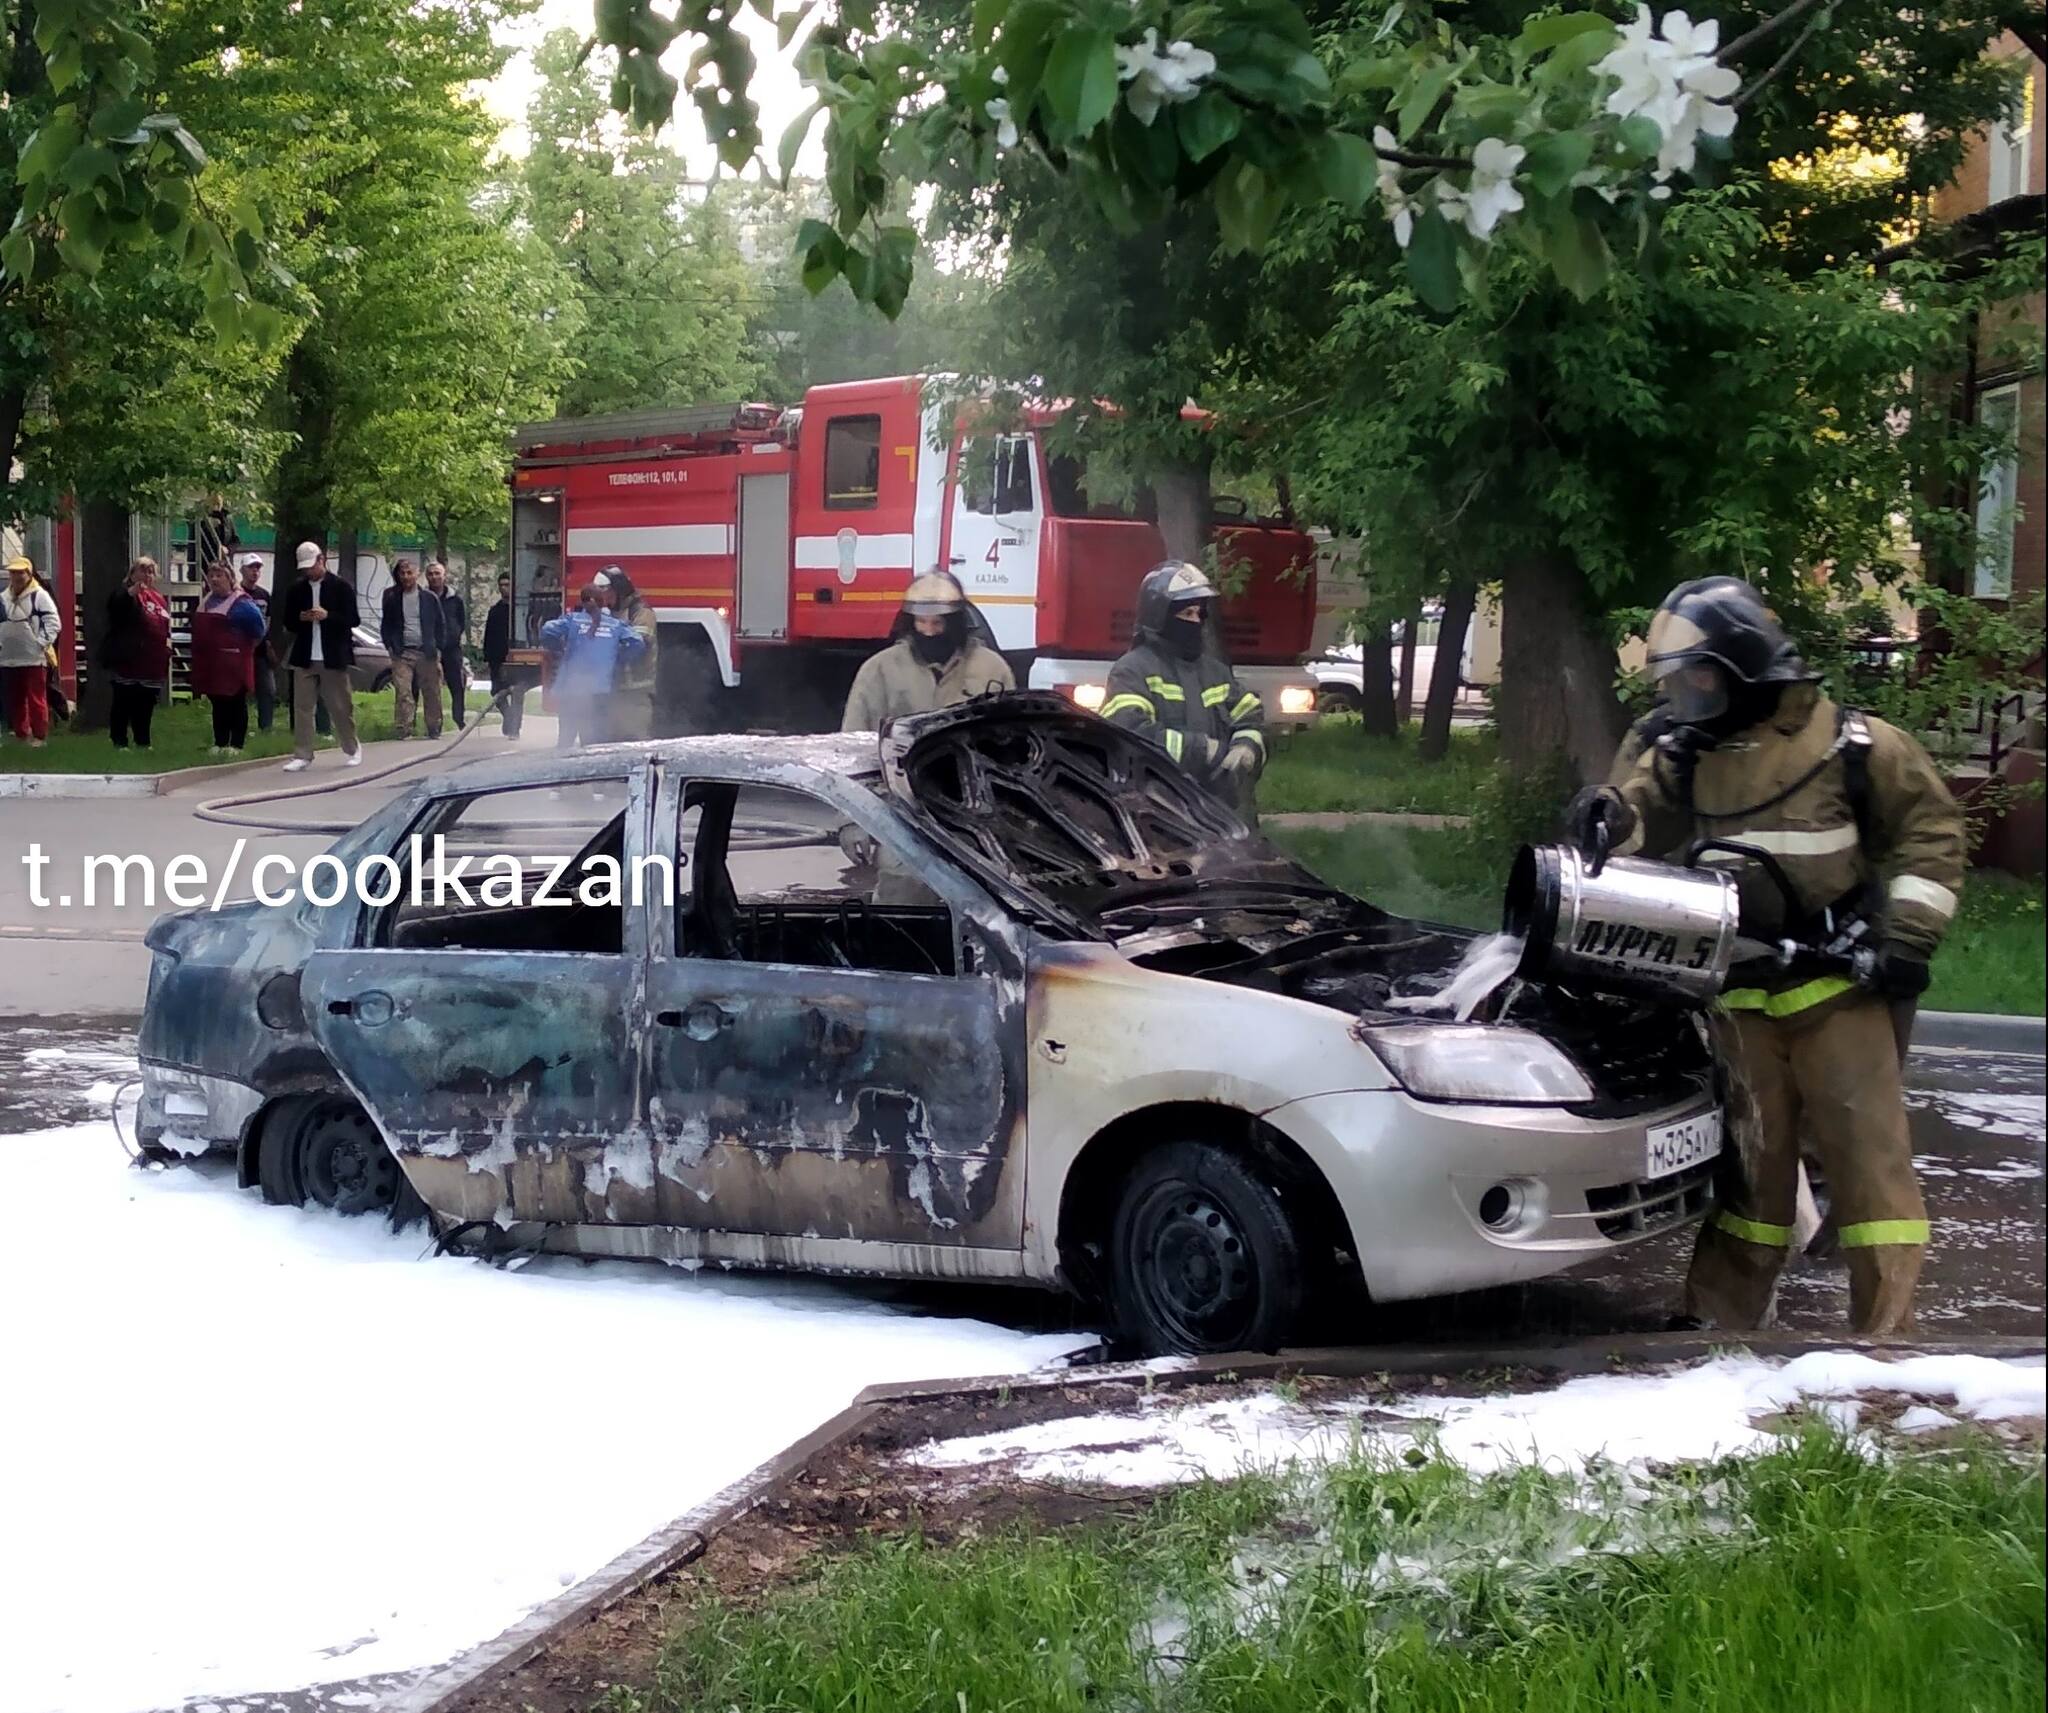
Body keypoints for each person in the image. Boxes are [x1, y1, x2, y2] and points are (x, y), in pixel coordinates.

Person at [1571, 576, 1966, 1337]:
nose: (1685, 695)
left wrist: (1906, 940)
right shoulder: (1685, 752)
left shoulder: (1856, 746)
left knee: (1869, 1177)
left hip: (1838, 994)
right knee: (1750, 1182)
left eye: (1699, 676)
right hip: (1739, 995)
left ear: (1744, 668)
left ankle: (1885, 1338)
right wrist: (1606, 811)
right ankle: (1719, 1331)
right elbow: (1635, 816)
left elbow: (1932, 833)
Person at [1101, 561, 1266, 813]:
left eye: (1199, 614)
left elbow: (1251, 718)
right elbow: (1130, 734)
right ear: (1161, 617)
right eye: (1187, 613)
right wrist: (1202, 750)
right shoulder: (1132, 671)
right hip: (1154, 811)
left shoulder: (1215, 672)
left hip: (1215, 813)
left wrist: (1247, 747)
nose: (1196, 621)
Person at [840, 571, 1014, 732]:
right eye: (921, 622)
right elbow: (853, 737)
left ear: (954, 623)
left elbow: (1012, 733)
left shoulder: (992, 668)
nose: (929, 631)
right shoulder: (879, 669)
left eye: (937, 623)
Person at [280, 540, 362, 772]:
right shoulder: (297, 589)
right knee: (303, 707)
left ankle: (352, 747)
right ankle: (303, 753)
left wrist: (328, 616)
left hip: (333, 655)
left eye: (311, 566)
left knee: (340, 705)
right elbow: (288, 621)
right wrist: (302, 618)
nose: (309, 572)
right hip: (305, 654)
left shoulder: (341, 587)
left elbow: (353, 620)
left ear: (322, 560)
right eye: (305, 569)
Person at [540, 579, 646, 750]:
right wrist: (618, 658)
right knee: (593, 743)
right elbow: (638, 643)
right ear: (602, 601)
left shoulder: (572, 621)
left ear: (582, 602)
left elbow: (547, 630)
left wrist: (557, 649)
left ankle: (561, 773)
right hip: (600, 691)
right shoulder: (615, 625)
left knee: (565, 741)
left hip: (571, 691)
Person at [190, 559, 268, 755]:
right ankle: (220, 742)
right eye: (211, 575)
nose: (215, 579)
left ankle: (236, 744)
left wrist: (240, 650)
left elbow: (258, 631)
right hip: (212, 665)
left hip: (235, 665)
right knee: (218, 703)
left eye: (220, 575)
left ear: (230, 578)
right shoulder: (206, 601)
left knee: (235, 703)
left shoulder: (242, 604)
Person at [101, 557, 172, 750]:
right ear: (132, 574)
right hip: (128, 659)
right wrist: (131, 594)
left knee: (145, 704)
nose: (147, 575)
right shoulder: (123, 594)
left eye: (150, 572)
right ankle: (119, 741)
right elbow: (116, 610)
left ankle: (143, 741)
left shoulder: (158, 598)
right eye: (142, 571)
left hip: (152, 660)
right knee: (123, 702)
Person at [380, 557, 446, 739]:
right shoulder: (392, 597)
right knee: (403, 692)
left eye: (410, 573)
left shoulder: (429, 598)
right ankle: (404, 728)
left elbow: (440, 624)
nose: (406, 577)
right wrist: (390, 645)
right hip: (402, 652)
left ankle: (434, 727)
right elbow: (386, 624)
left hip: (426, 651)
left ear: (417, 574)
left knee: (432, 691)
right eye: (403, 573)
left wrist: (437, 648)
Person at [1, 554, 61, 748]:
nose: (16, 577)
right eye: (13, 572)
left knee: (36, 697)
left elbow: (53, 622)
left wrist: (40, 643)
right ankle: (21, 734)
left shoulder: (39, 595)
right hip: (8, 657)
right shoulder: (3, 598)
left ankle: (39, 735)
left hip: (34, 657)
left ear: (28, 573)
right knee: (15, 698)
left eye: (20, 572)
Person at [598, 567, 659, 738]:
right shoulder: (609, 613)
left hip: (636, 695)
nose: (604, 599)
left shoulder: (642, 613)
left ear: (619, 590)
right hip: (613, 693)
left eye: (607, 593)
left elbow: (637, 644)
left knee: (635, 746)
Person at [426, 562, 469, 728]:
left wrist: (454, 635)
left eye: (437, 573)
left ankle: (459, 719)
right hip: (430, 648)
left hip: (451, 649)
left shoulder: (455, 599)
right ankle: (434, 724)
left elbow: (461, 621)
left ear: (444, 576)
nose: (434, 577)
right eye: (430, 574)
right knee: (431, 688)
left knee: (457, 685)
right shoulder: (423, 597)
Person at [482, 571, 524, 738]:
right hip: (497, 658)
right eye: (501, 585)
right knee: (496, 692)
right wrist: (488, 657)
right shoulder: (495, 611)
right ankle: (509, 717)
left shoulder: (519, 609)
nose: (504, 588)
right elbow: (489, 635)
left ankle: (514, 729)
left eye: (507, 585)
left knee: (517, 692)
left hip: (516, 657)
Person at [239, 556, 277, 732]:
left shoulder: (264, 595)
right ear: (242, 570)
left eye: (257, 568)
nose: (255, 572)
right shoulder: (236, 593)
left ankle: (266, 727)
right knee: (240, 691)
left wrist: (266, 642)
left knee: (268, 690)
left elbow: (268, 621)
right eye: (251, 568)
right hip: (240, 649)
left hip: (261, 650)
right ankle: (241, 727)